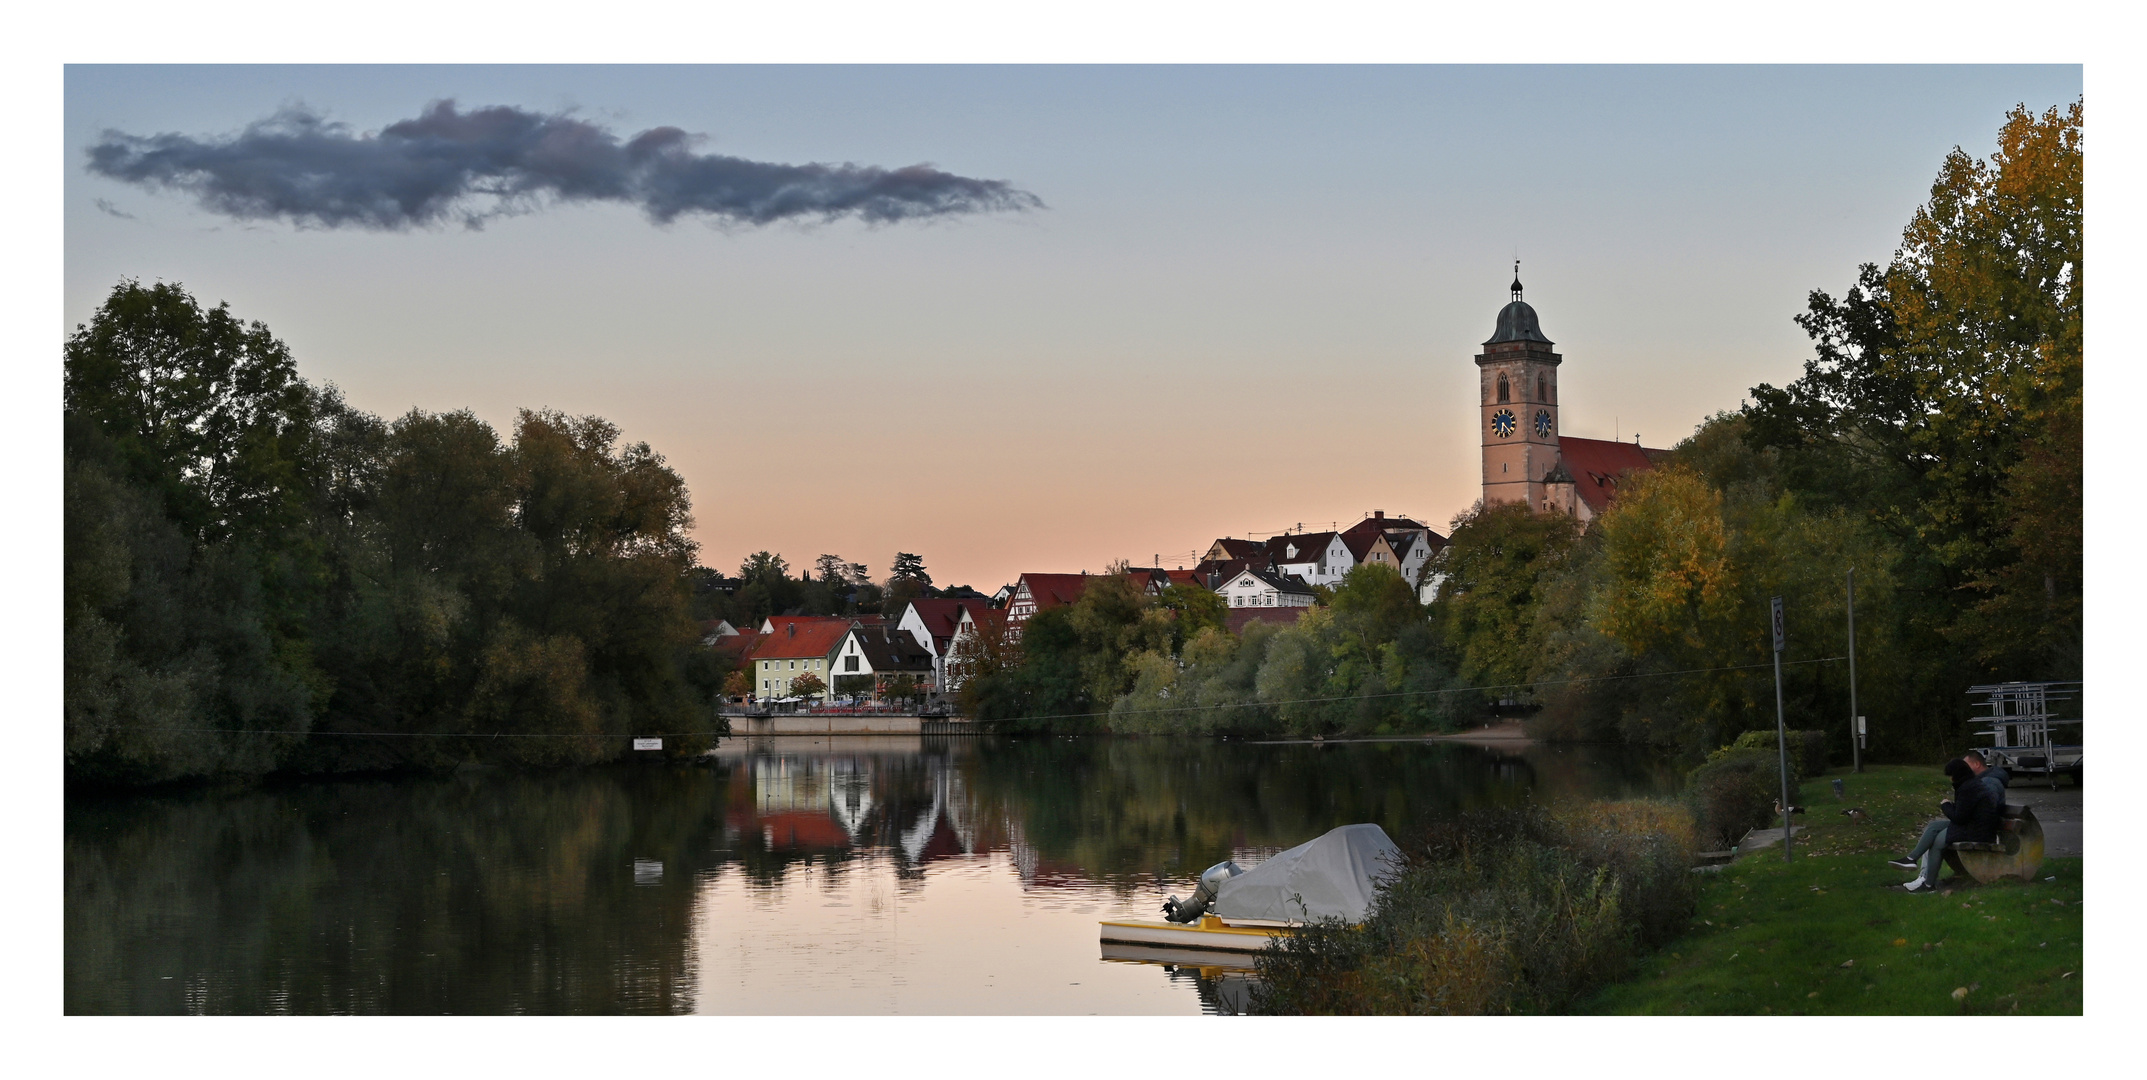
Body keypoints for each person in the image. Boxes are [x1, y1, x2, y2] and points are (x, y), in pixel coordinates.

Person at [1885, 757, 2002, 892]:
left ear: (1957, 775)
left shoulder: (1969, 788)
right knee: (1933, 826)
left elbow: (1959, 818)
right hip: (1974, 825)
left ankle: (1929, 885)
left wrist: (1946, 805)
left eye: (1951, 775)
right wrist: (1951, 806)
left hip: (1978, 831)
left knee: (1938, 841)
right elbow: (1964, 813)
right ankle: (1911, 858)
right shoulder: (1970, 785)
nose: (1950, 779)